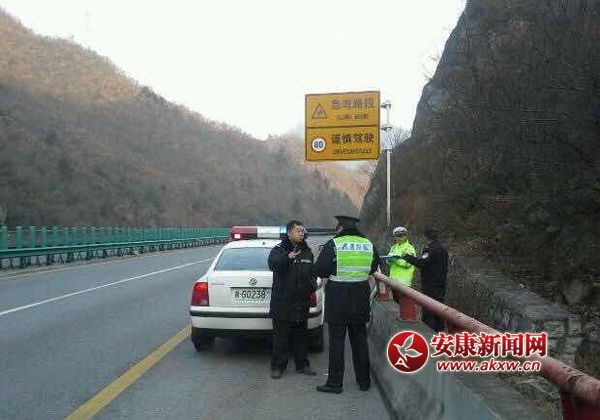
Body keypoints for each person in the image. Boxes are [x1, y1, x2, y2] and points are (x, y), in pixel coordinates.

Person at [314, 215, 379, 393]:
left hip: (338, 299)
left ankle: (335, 384)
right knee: (360, 341)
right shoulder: (368, 244)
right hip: (360, 297)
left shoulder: (334, 244)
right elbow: (374, 267)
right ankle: (364, 382)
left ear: (341, 228)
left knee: (337, 342)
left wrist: (335, 269)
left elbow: (319, 269)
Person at [268, 220, 317, 379]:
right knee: (280, 338)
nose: (301, 234)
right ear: (289, 233)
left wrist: (312, 285)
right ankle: (278, 367)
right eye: (298, 231)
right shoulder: (279, 250)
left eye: (302, 231)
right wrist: (288, 258)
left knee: (300, 337)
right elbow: (273, 265)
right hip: (282, 303)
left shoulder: (307, 252)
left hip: (301, 302)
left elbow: (312, 272)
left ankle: (302, 365)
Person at [397, 228, 448, 332]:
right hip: (441, 282)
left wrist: (408, 257)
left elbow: (422, 263)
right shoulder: (443, 248)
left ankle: (428, 331)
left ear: (426, 237)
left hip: (430, 283)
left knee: (428, 307)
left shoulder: (429, 249)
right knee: (439, 306)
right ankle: (439, 331)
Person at [386, 226, 417, 319]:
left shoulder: (409, 248)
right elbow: (388, 262)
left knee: (404, 305)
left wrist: (396, 260)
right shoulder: (393, 247)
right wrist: (389, 259)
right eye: (397, 236)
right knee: (396, 303)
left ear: (405, 236)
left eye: (401, 236)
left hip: (404, 282)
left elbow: (408, 264)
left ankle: (406, 319)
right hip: (393, 280)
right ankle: (399, 318)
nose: (399, 238)